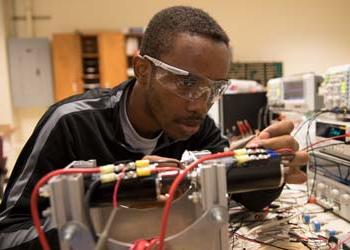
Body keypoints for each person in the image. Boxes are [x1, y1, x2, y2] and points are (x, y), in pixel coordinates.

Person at [0, 6, 308, 250]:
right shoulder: (71, 123)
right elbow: (8, 234)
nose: (200, 104)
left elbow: (248, 199)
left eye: (213, 89)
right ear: (143, 70)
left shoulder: (197, 128)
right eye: (187, 83)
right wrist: (110, 205)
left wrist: (268, 166)